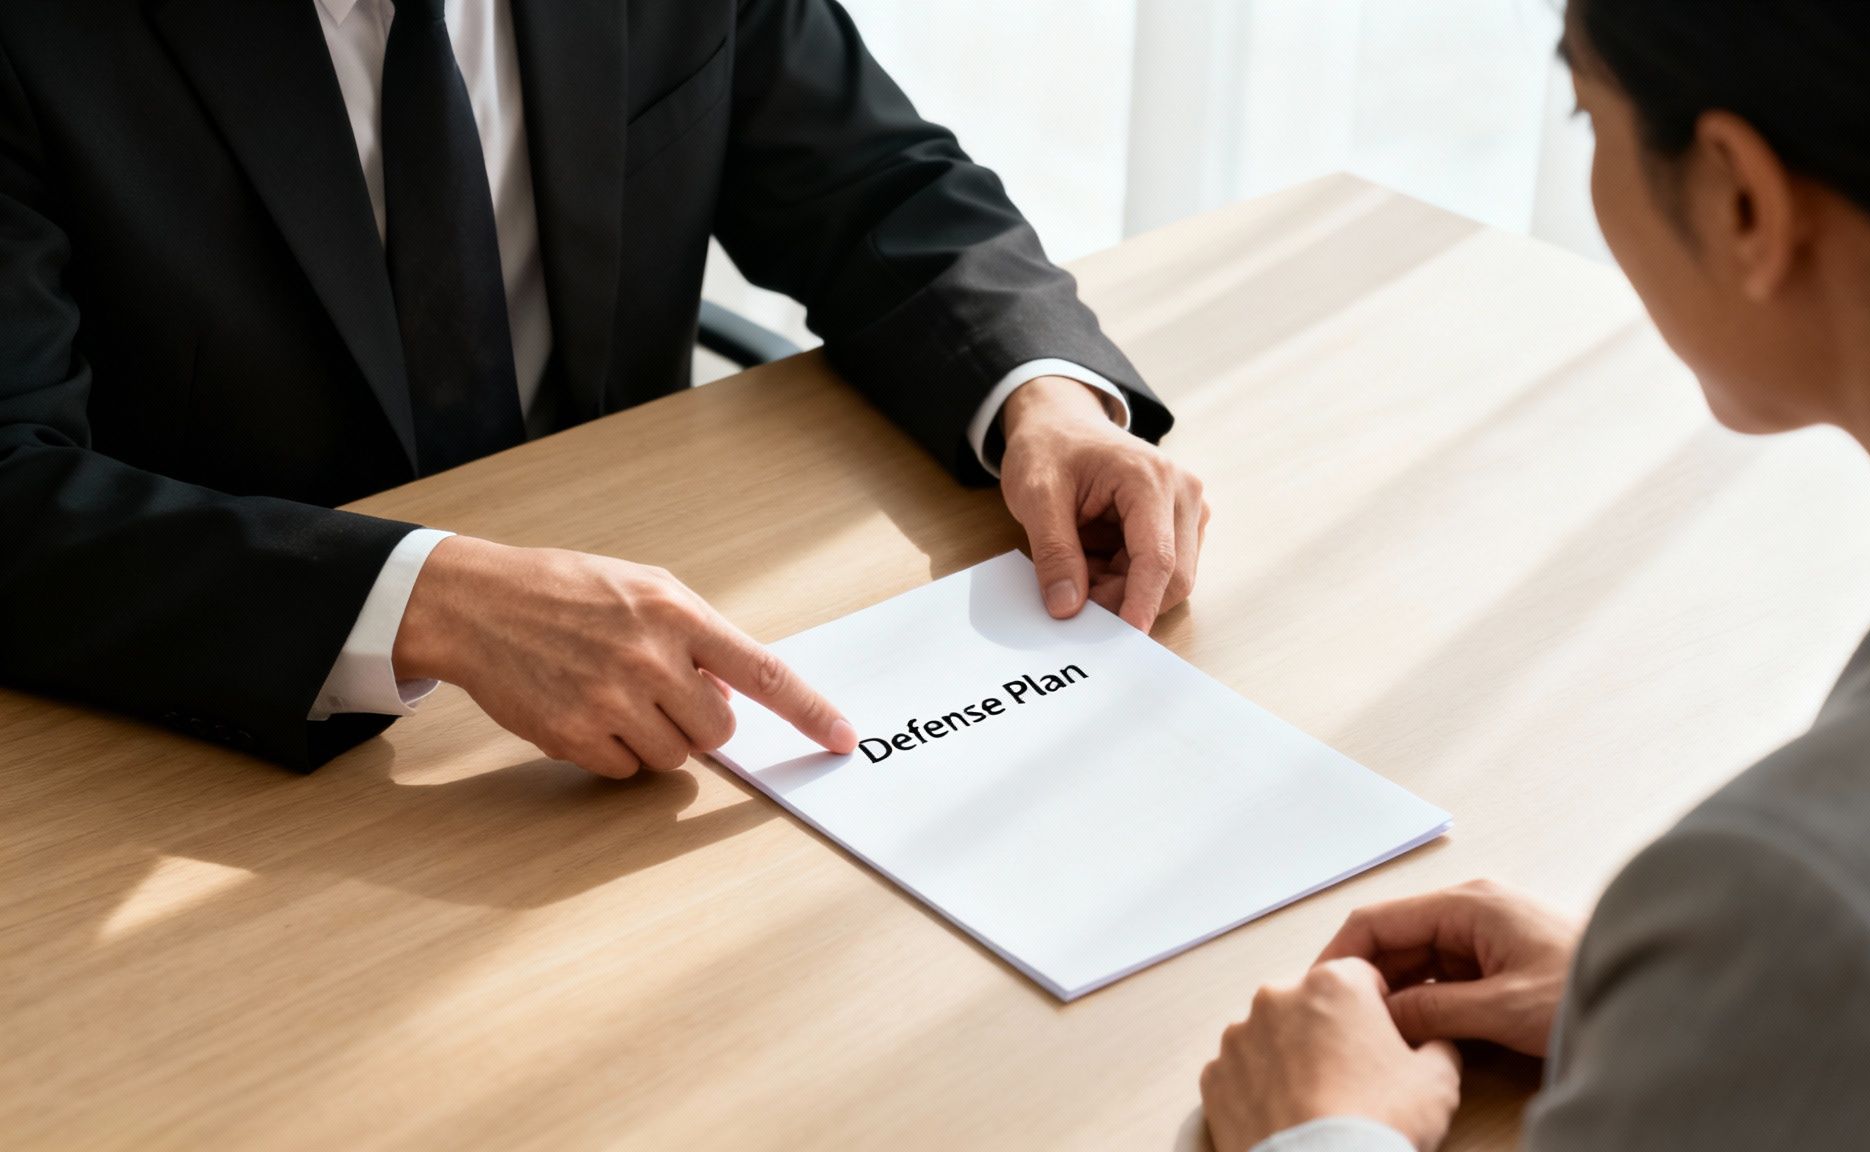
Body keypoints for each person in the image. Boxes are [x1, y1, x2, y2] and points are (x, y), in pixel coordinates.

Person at [1201, 0, 1870, 1149]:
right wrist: (1693, 1018)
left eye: (1584, 113)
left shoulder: (1812, 903)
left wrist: (1321, 1132)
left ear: (1738, 198)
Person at [0, 0, 1207, 777]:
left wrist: (1038, 394)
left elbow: (870, 182)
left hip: (645, 652)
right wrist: (426, 599)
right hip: (230, 724)